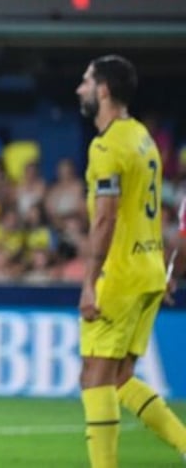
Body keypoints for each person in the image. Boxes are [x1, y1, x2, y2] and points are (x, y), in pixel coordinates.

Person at [76, 54, 186, 467]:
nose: (80, 90)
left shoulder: (107, 146)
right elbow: (150, 209)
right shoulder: (143, 137)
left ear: (103, 90)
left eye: (86, 82)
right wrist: (158, 263)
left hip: (119, 275)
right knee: (120, 377)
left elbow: (106, 217)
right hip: (149, 270)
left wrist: (90, 281)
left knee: (94, 375)